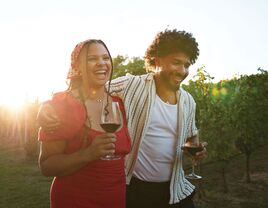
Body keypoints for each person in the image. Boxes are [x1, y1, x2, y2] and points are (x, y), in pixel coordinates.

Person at [38, 29, 207, 208]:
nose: (182, 70)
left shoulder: (188, 101)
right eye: (176, 62)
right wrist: (46, 106)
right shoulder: (132, 86)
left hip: (175, 189)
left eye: (187, 65)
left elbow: (191, 137)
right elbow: (93, 88)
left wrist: (196, 150)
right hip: (136, 190)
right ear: (157, 60)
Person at [37, 39, 131, 208]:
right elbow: (46, 166)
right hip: (75, 200)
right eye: (92, 59)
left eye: (105, 58)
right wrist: (89, 153)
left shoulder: (118, 103)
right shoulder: (63, 105)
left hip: (115, 198)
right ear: (77, 68)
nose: (101, 63)